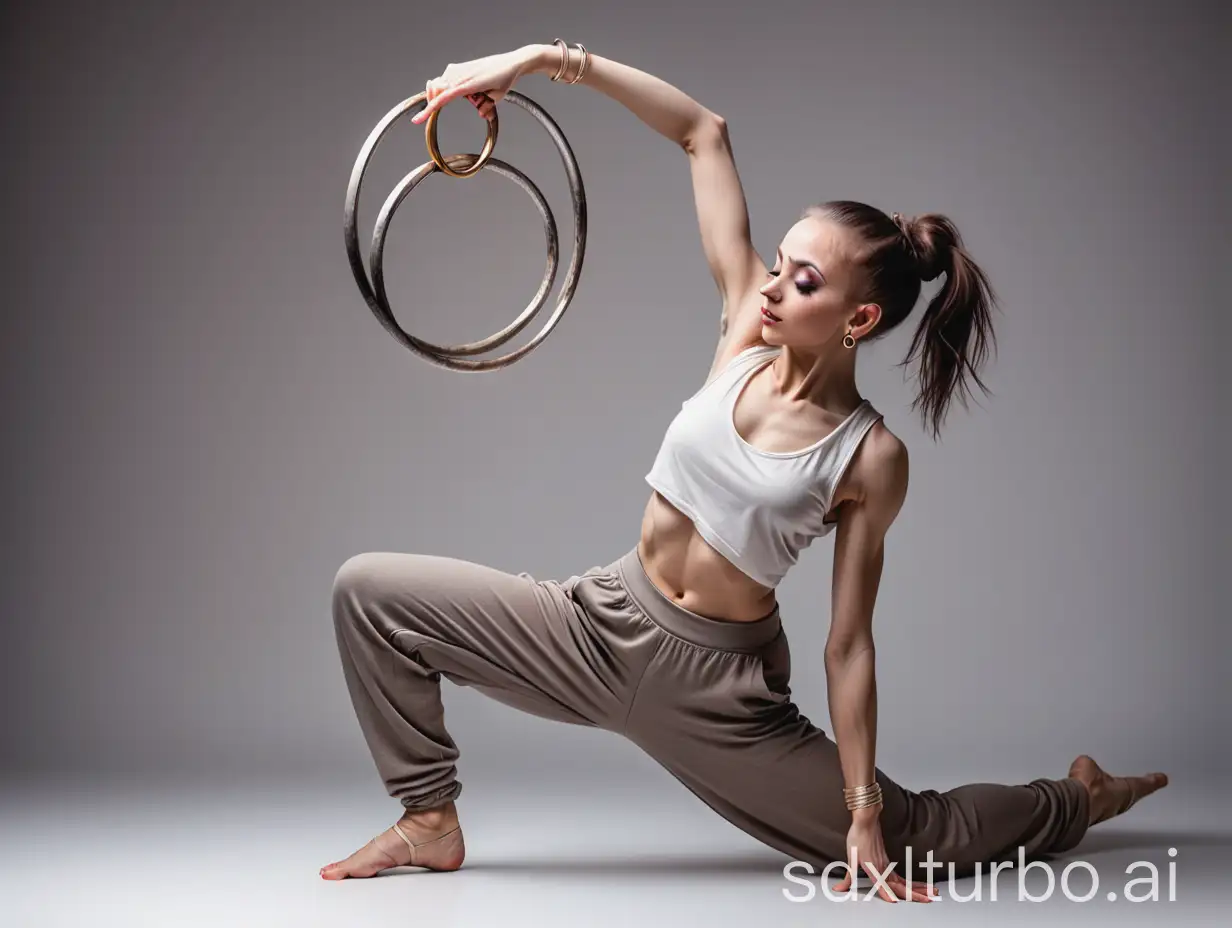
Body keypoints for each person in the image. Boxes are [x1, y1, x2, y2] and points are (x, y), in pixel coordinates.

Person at [320, 41, 1168, 899]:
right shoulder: (742, 329)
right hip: (597, 625)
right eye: (779, 263)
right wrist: (539, 60)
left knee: (920, 839)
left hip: (719, 693)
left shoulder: (870, 455)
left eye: (802, 281)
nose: (771, 286)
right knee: (370, 594)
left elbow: (848, 644)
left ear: (859, 316)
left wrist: (865, 809)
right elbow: (701, 133)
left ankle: (1078, 797)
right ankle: (429, 822)